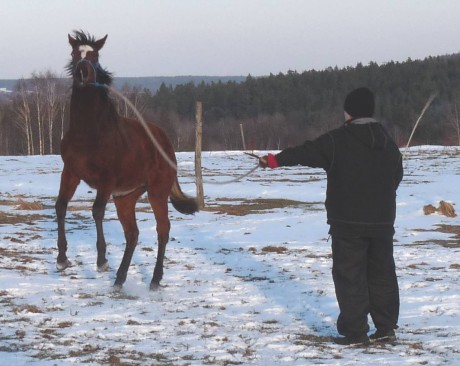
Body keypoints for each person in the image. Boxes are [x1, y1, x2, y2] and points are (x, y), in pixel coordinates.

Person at [260, 87, 403, 346]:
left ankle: (355, 333)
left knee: (350, 277)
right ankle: (386, 329)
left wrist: (275, 161)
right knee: (382, 275)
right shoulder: (387, 141)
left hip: (347, 224)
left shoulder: (337, 140)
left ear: (349, 112)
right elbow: (396, 177)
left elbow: (306, 152)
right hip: (382, 224)